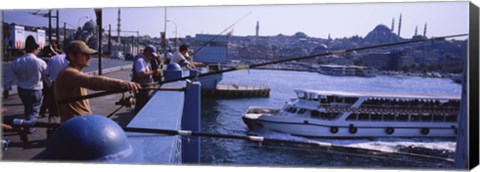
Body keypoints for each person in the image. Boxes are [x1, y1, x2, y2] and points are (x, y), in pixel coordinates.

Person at [55, 40, 141, 122]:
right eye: (85, 54)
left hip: (82, 121)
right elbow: (92, 81)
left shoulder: (76, 72)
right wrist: (122, 83)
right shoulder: (68, 73)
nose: (89, 57)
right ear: (71, 56)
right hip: (75, 125)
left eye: (89, 54)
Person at [3, 36, 48, 134]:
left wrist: (6, 89)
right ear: (34, 49)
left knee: (28, 108)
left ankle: (26, 124)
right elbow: (47, 77)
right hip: (36, 89)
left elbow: (9, 76)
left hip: (22, 89)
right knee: (34, 110)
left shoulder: (17, 62)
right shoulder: (40, 62)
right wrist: (49, 85)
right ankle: (29, 128)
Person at [131, 45, 162, 114]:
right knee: (141, 108)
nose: (152, 56)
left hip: (145, 88)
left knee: (141, 107)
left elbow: (147, 72)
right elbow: (140, 74)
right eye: (151, 54)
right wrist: (154, 72)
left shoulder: (147, 60)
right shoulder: (140, 60)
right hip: (141, 88)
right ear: (147, 52)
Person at [45, 45, 68, 124]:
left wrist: (49, 83)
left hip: (55, 85)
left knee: (53, 111)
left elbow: (46, 73)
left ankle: (52, 129)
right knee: (67, 110)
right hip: (68, 86)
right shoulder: (72, 59)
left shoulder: (53, 58)